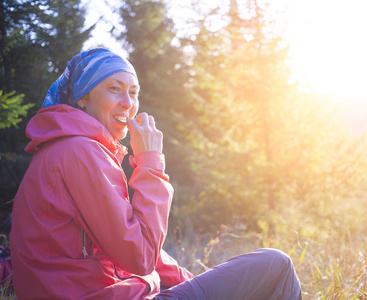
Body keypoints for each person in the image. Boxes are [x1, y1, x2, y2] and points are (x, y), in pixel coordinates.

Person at [10, 48, 302, 299]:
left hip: (109, 291)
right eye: (114, 88)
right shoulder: (79, 152)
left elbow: (134, 248)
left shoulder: (67, 147)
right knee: (276, 264)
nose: (128, 102)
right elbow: (141, 256)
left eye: (133, 92)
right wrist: (150, 162)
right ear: (83, 98)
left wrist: (191, 282)